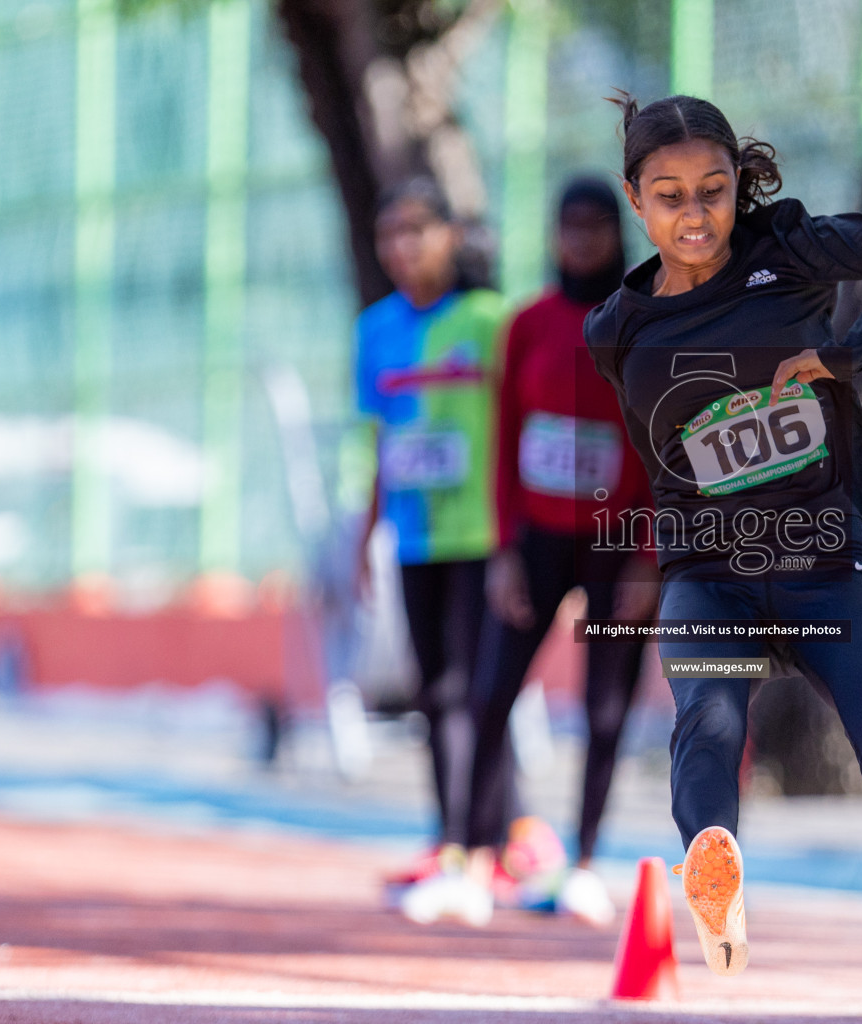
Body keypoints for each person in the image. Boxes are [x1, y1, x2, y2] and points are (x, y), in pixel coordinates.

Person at [582, 93, 862, 974]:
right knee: (710, 717)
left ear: (740, 186)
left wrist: (857, 350)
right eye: (670, 196)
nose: (696, 215)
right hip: (709, 572)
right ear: (635, 200)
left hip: (823, 559)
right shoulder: (615, 330)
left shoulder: (791, 250)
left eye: (714, 190)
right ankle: (715, 882)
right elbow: (662, 463)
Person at [453, 177, 662, 928]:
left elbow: (664, 448)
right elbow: (504, 437)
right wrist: (504, 548)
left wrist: (648, 556)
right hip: (535, 541)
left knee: (605, 711)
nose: (581, 239)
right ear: (553, 235)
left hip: (618, 544)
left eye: (596, 225)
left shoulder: (645, 322)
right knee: (489, 697)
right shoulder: (529, 323)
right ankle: (474, 860)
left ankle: (582, 863)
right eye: (567, 225)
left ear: (620, 231)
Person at [352, 178, 520, 916]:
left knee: (483, 691)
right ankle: (456, 838)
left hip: (486, 532)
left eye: (416, 229)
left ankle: (493, 842)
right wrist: (368, 531)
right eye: (389, 233)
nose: (401, 247)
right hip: (416, 534)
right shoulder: (376, 328)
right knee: (434, 691)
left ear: (453, 235)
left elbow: (521, 418)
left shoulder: (492, 321)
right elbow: (381, 436)